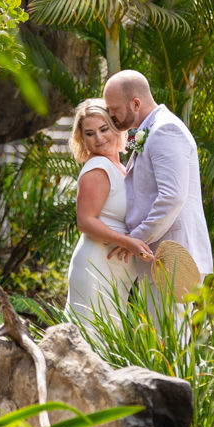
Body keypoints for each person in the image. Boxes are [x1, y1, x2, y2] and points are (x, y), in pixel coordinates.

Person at [102, 70, 213, 334]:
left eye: (114, 109)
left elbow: (171, 197)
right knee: (165, 338)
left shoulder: (165, 130)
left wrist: (135, 240)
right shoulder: (150, 130)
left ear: (135, 104)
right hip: (157, 257)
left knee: (171, 340)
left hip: (171, 256)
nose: (111, 116)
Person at [64, 98, 155, 332]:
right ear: (82, 139)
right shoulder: (98, 168)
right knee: (91, 342)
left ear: (115, 127)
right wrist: (129, 242)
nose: (99, 138)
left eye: (104, 129)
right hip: (96, 265)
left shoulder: (121, 167)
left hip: (115, 271)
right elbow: (85, 222)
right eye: (90, 133)